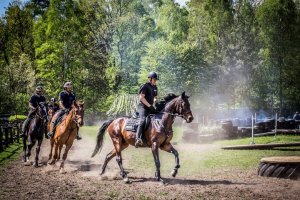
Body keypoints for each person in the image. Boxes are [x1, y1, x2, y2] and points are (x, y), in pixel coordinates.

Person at [135, 71, 159, 147]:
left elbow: (155, 97)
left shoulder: (155, 87)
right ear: (150, 79)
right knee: (142, 120)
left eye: (156, 80)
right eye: (154, 79)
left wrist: (154, 103)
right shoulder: (145, 86)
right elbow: (141, 98)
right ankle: (138, 139)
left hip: (150, 107)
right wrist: (149, 105)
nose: (155, 81)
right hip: (142, 107)